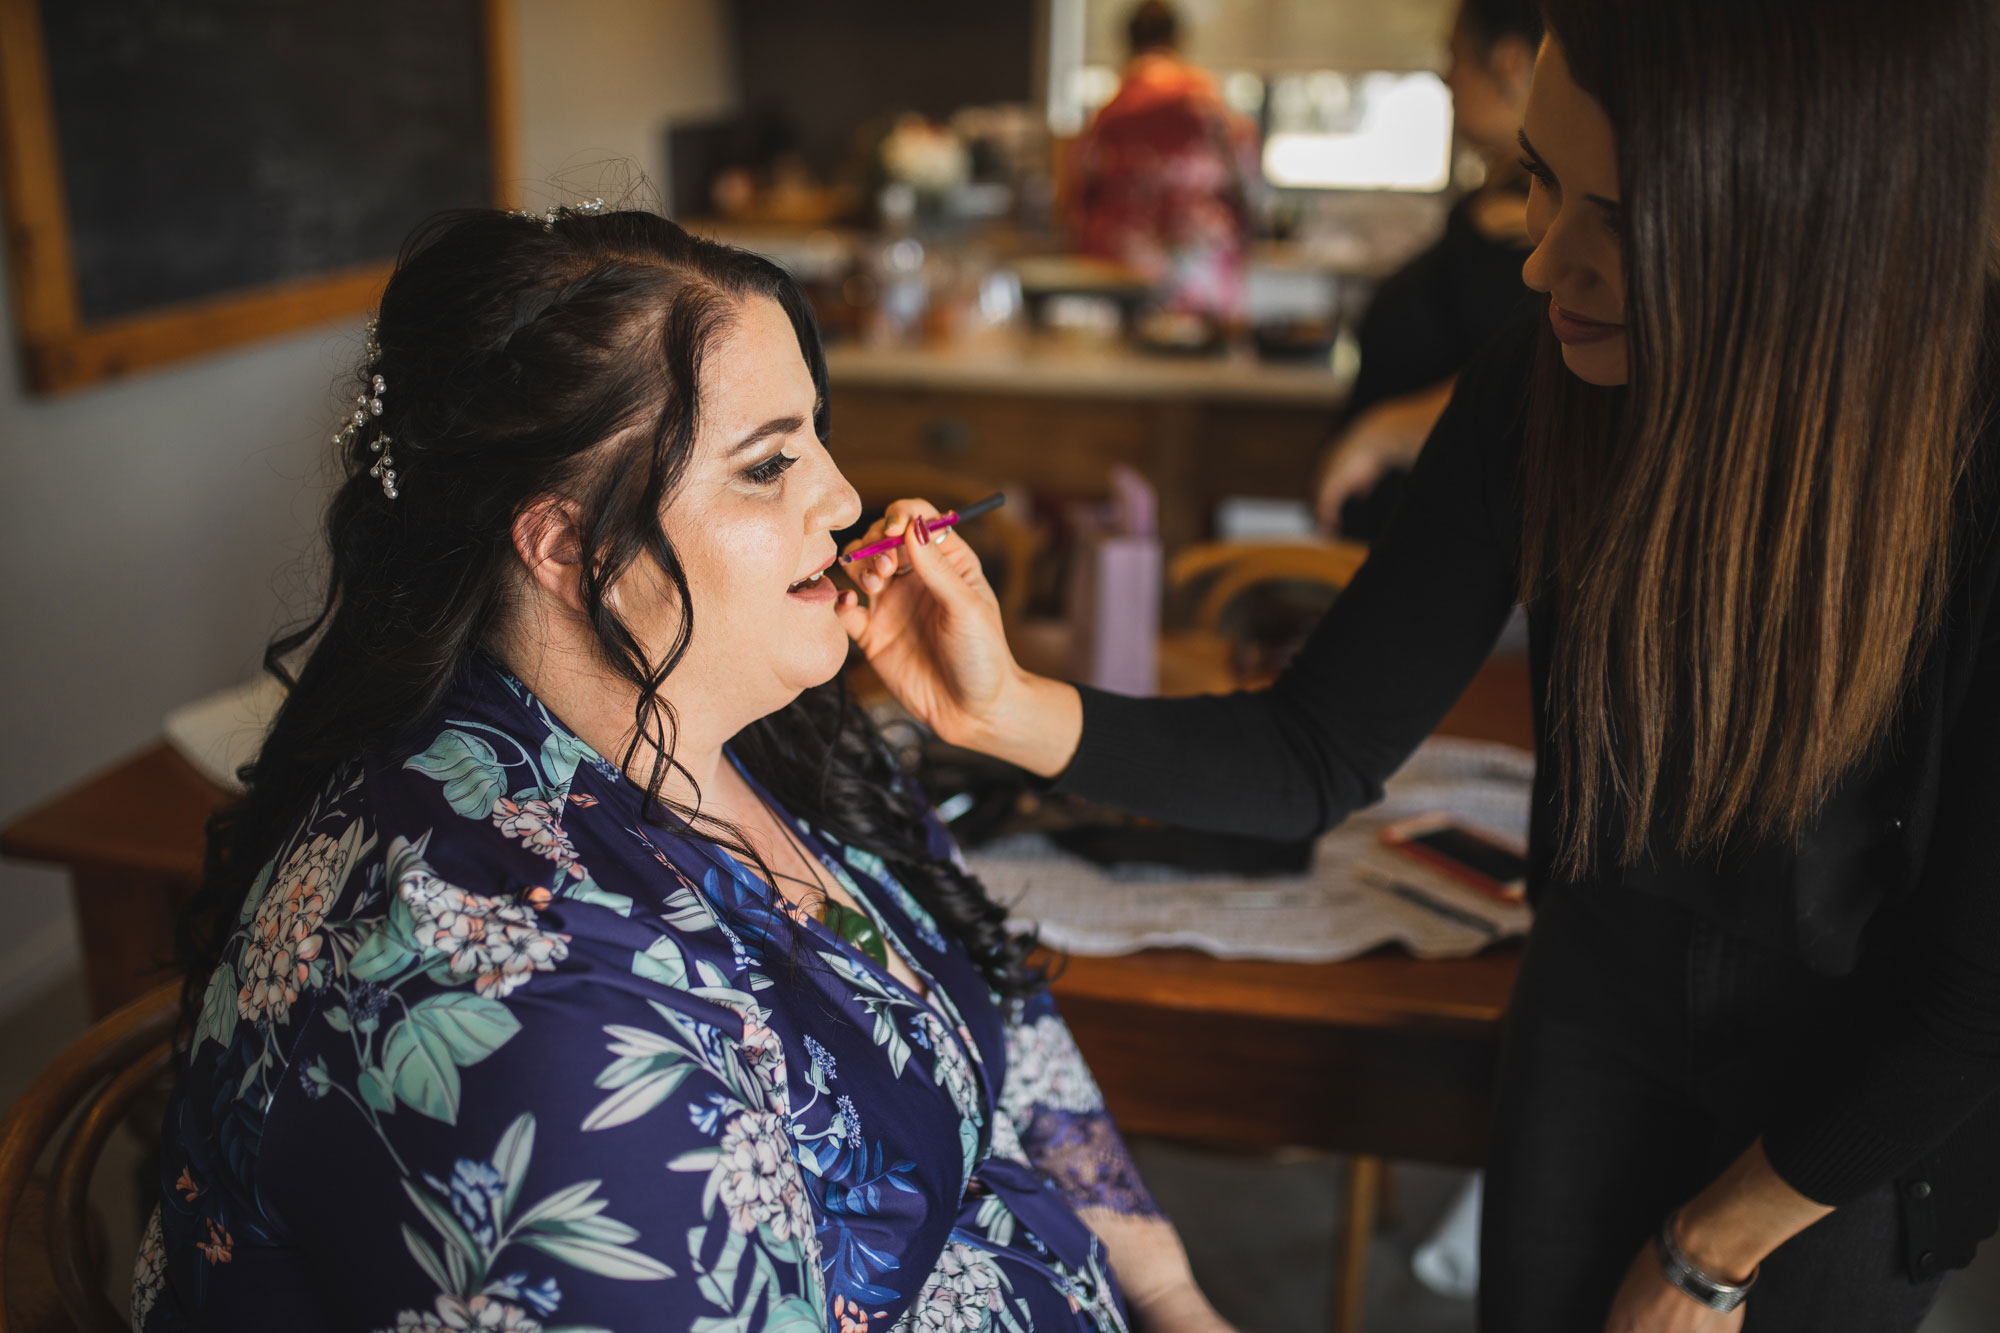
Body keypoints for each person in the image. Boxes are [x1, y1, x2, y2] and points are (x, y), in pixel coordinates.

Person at [835, 0, 2000, 1329]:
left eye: (1617, 218)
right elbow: (1314, 752)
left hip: (1868, 1091)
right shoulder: (1541, 388)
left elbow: (1974, 986)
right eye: (1536, 189)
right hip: (1597, 1015)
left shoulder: (1969, 452)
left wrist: (1708, 1255)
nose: (1544, 264)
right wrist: (1002, 708)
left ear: (1808, 220)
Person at [137, 206, 1233, 1333]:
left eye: (816, 435)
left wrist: (1174, 1299)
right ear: (570, 547)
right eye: (767, 465)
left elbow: (1009, 1034)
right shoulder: (514, 995)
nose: (845, 498)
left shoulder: (778, 733)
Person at [1313, 0, 1542, 538]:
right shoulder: (1498, 204)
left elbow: (1539, 370)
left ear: (1509, 64)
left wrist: (1383, 432)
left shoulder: (1528, 224)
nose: (1445, 76)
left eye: (1455, 56)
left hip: (1440, 544)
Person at [1064, 1, 1258, 324]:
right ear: (1178, 40)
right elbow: (1246, 182)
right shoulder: (1210, 102)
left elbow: (1079, 192)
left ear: (1127, 42)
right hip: (1202, 270)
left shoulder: (1111, 112)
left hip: (1126, 272)